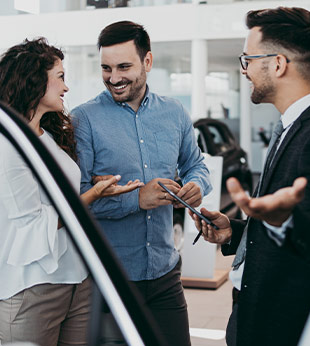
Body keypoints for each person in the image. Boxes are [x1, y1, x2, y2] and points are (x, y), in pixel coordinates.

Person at [72, 21, 212, 346]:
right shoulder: (84, 120)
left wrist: (196, 185)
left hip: (166, 275)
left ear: (147, 62)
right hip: (110, 281)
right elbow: (77, 201)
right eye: (106, 68)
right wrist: (137, 199)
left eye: (124, 66)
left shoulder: (175, 112)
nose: (114, 77)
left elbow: (196, 165)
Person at [190, 6, 310, 346]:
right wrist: (234, 232)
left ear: (277, 64)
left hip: (278, 323)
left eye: (247, 59)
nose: (244, 70)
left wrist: (283, 223)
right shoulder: (294, 126)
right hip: (252, 311)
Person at [0, 37, 142, 346]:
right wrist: (91, 197)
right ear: (35, 81)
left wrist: (96, 188)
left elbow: (59, 192)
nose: (66, 87)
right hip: (32, 287)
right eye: (61, 77)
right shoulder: (7, 146)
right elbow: (32, 223)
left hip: (77, 280)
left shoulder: (47, 135)